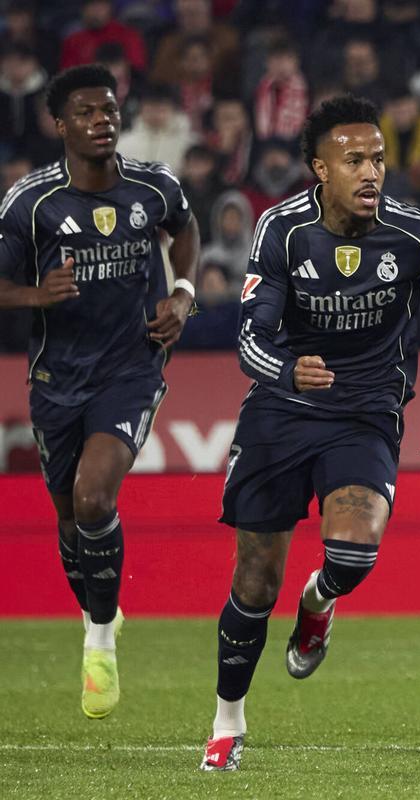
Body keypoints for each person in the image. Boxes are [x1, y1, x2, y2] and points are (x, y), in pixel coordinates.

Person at [201, 95, 420, 772]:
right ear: (318, 169)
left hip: (365, 409)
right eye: (354, 160)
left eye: (378, 159)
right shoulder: (282, 232)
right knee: (254, 583)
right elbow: (250, 339)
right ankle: (227, 721)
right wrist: (286, 371)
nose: (371, 173)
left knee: (354, 555)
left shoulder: (416, 234)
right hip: (280, 410)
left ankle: (320, 600)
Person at [0, 65, 199, 719]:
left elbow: (186, 230)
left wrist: (182, 293)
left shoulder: (152, 187)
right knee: (67, 517)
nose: (101, 121)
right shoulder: (30, 204)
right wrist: (37, 294)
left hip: (132, 370)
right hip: (57, 380)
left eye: (109, 110)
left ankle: (100, 636)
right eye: (85, 112)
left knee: (92, 497)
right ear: (59, 125)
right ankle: (97, 615)